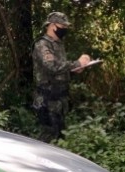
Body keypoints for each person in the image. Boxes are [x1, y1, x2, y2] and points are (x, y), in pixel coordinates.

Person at [32, 11, 90, 142]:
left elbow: (61, 69)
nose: (65, 29)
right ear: (53, 26)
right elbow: (51, 67)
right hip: (47, 99)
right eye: (63, 26)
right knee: (48, 137)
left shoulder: (58, 44)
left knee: (59, 135)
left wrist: (76, 69)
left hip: (60, 99)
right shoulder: (42, 44)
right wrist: (77, 63)